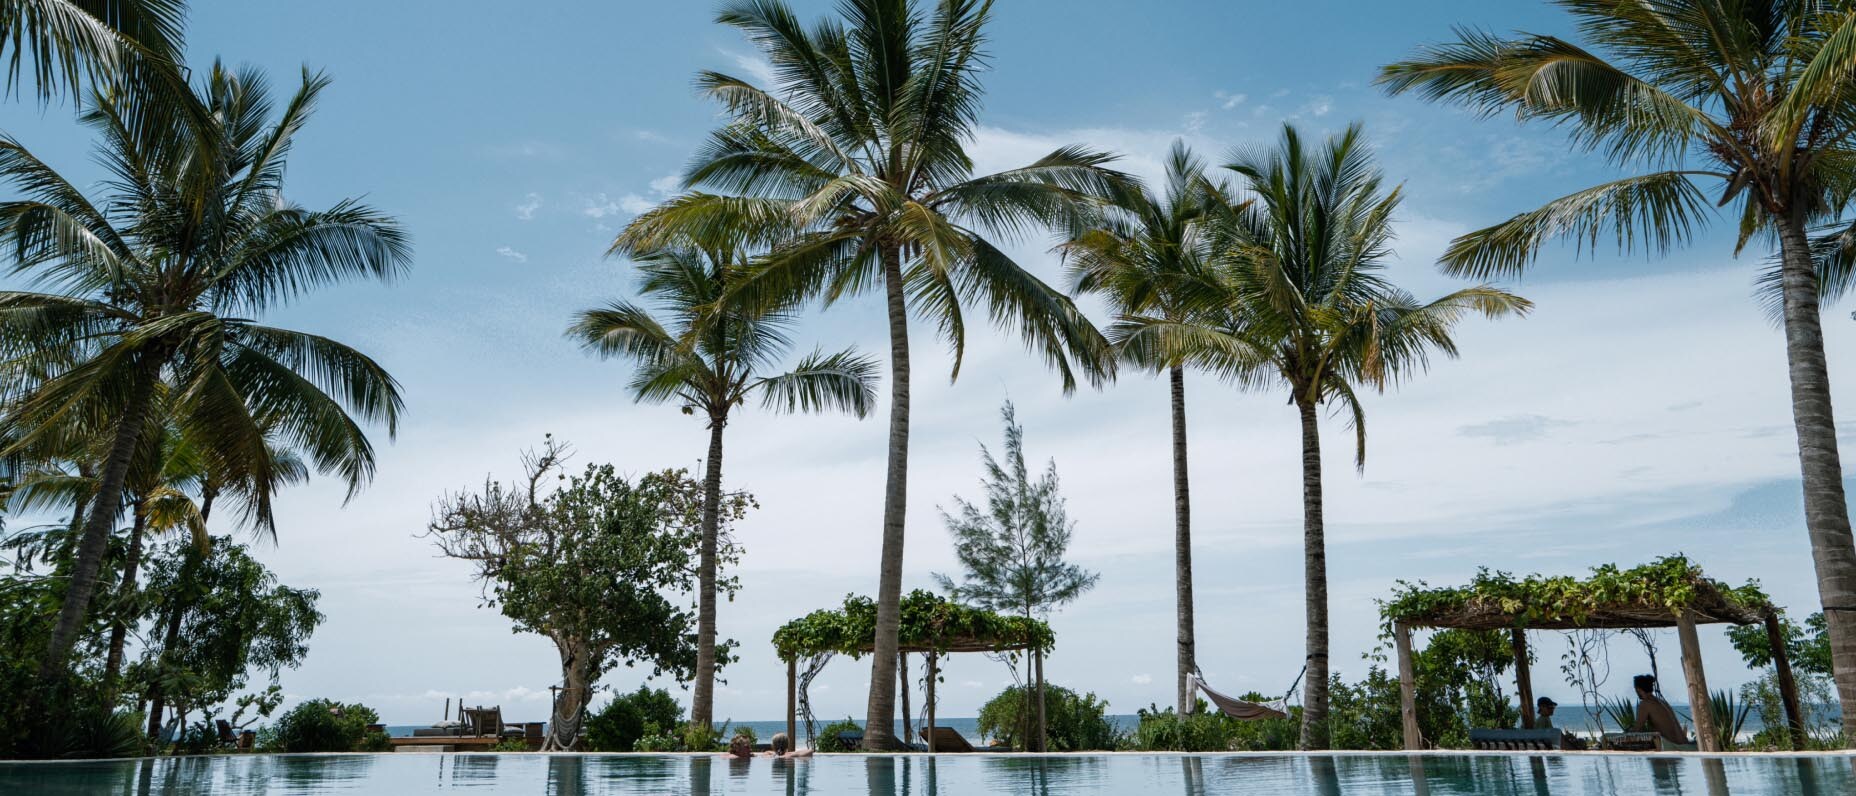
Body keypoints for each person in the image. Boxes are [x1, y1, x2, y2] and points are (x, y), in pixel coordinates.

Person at [1631, 674, 1695, 749]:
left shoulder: (1645, 704)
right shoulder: (1662, 702)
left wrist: (1627, 733)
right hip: (1685, 744)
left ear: (1638, 689)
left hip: (1675, 747)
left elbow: (1637, 729)